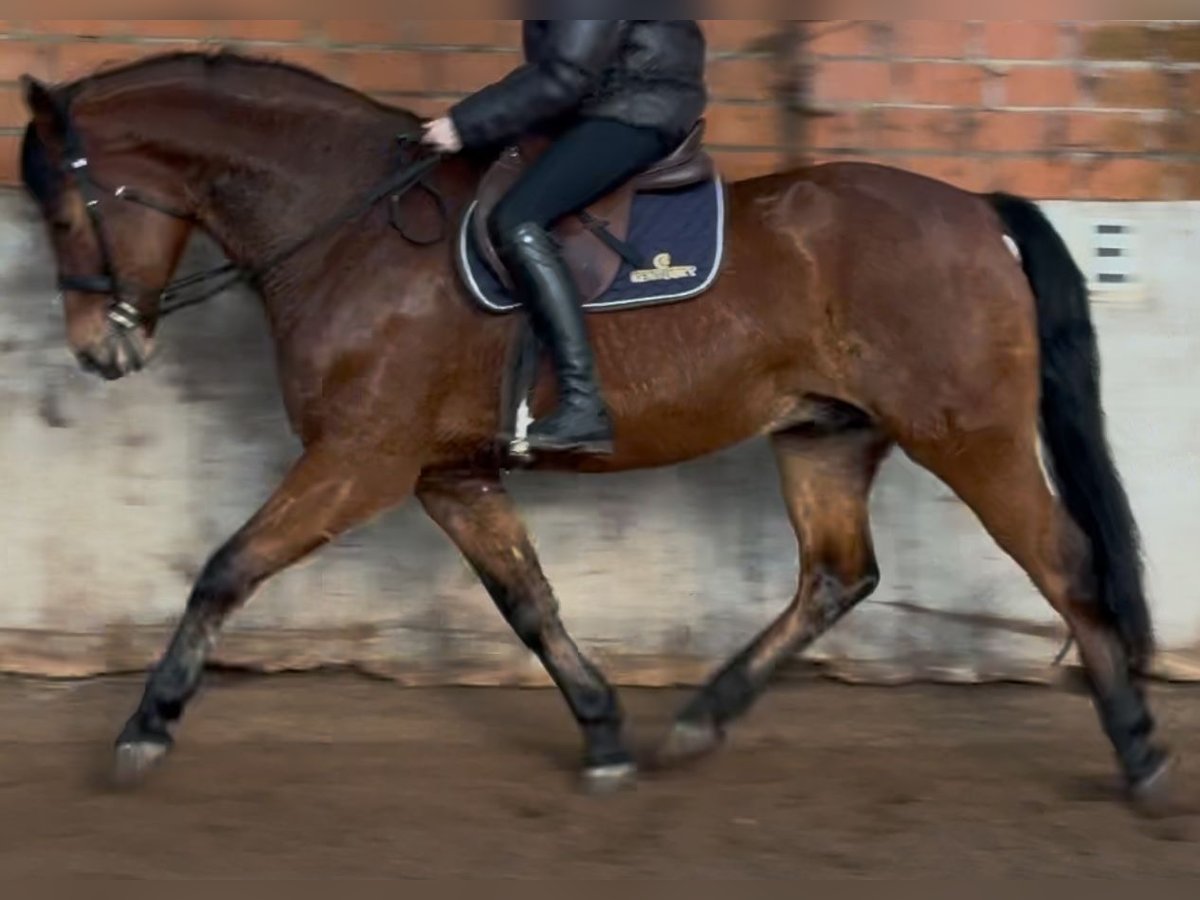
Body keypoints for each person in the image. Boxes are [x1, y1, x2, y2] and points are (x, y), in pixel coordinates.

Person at [422, 20, 707, 456]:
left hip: (634, 107)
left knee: (518, 219)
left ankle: (582, 405)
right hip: (612, 100)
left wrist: (464, 124)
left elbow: (567, 74)